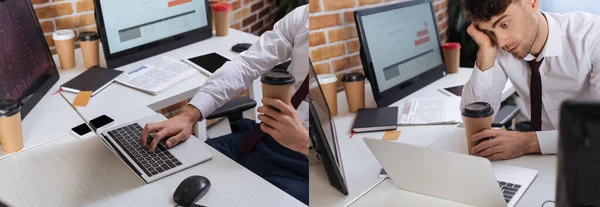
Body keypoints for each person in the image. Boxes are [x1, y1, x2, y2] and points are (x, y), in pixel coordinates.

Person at [139, 5, 309, 204]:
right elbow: (246, 65)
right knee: (174, 166)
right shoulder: (303, 16)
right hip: (261, 140)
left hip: (306, 165)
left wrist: (303, 142)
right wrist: (188, 115)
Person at [461, 0, 600, 160]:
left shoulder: (593, 37)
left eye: (504, 24)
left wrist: (529, 142)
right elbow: (472, 122)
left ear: (532, 2)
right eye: (490, 32)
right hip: (539, 160)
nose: (501, 41)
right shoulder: (498, 46)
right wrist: (485, 51)